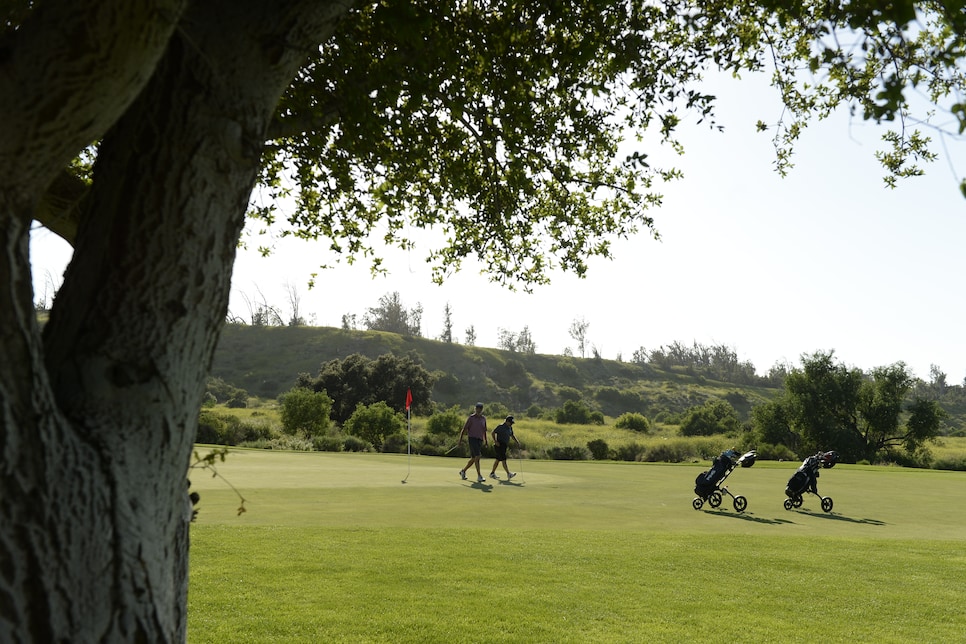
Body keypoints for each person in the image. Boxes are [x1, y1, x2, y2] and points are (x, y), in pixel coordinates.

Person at [458, 402, 488, 482]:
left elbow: (484, 431)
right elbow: (464, 429)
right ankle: (479, 476)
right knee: (478, 456)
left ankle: (463, 471)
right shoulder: (471, 418)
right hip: (472, 439)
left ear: (482, 410)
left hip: (479, 440)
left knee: (474, 458)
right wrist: (460, 440)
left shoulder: (483, 419)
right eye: (477, 408)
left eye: (480, 409)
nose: (479, 410)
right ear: (475, 409)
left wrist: (486, 441)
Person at [489, 415, 521, 480]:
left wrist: (517, 442)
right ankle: (508, 474)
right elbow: (493, 432)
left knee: (498, 459)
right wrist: (495, 441)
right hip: (499, 445)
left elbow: (512, 435)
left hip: (504, 445)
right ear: (506, 421)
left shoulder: (510, 428)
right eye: (510, 422)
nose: (511, 424)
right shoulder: (501, 426)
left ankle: (492, 473)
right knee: (503, 459)